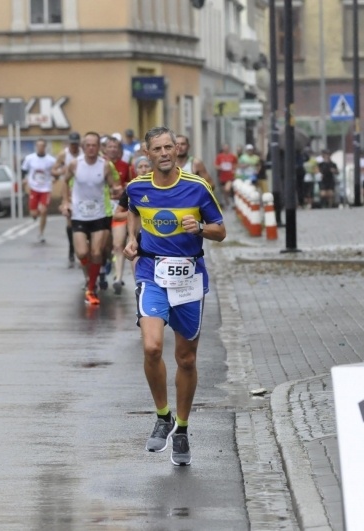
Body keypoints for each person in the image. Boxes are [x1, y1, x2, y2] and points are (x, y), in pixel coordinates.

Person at [124, 126, 226, 466]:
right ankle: (162, 415)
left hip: (189, 275)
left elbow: (221, 231)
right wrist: (131, 240)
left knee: (186, 358)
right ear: (147, 154)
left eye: (170, 147)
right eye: (158, 148)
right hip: (151, 272)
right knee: (152, 346)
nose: (165, 152)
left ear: (176, 151)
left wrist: (201, 228)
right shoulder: (137, 188)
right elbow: (133, 212)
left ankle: (181, 429)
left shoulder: (197, 188)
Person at [60, 131, 115, 306]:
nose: (91, 148)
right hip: (79, 215)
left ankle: (91, 288)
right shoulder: (75, 164)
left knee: (96, 252)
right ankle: (90, 276)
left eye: (94, 145)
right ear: (83, 147)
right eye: (88, 145)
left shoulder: (105, 165)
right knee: (82, 253)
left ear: (99, 147)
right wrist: (65, 202)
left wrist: (118, 190)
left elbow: (114, 186)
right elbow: (64, 182)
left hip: (99, 215)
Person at [105, 137, 132, 294]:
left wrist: (123, 188)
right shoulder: (101, 165)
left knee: (118, 243)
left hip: (118, 208)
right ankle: (105, 264)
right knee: (103, 244)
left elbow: (131, 186)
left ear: (120, 150)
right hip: (102, 208)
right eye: (110, 146)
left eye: (116, 147)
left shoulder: (126, 166)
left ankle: (118, 278)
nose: (113, 149)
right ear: (105, 149)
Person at [52, 132, 83, 267]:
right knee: (70, 220)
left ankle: (81, 244)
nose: (74, 147)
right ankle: (71, 248)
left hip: (83, 189)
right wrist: (62, 171)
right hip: (68, 189)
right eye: (72, 144)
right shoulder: (63, 154)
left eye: (76, 144)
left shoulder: (84, 152)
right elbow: (53, 170)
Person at [21, 139, 57, 242]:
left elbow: (56, 171)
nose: (40, 148)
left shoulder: (51, 160)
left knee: (43, 210)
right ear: (36, 147)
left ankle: (41, 233)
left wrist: (55, 178)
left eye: (42, 146)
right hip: (34, 187)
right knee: (34, 213)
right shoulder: (30, 158)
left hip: (45, 188)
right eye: (38, 146)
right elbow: (23, 169)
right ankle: (34, 215)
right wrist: (24, 179)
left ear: (45, 147)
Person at [214, 143, 237, 209]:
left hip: (230, 176)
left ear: (229, 148)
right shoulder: (219, 156)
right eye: (225, 147)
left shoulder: (232, 156)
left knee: (227, 189)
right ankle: (227, 202)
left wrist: (233, 168)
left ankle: (230, 201)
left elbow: (236, 164)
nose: (226, 149)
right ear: (223, 149)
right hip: (222, 177)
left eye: (227, 147)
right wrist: (220, 167)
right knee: (224, 191)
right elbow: (216, 166)